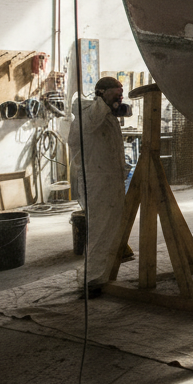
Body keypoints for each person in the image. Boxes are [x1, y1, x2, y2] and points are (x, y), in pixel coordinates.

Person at [68, 76, 129, 296]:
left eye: (121, 93)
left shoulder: (106, 114)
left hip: (111, 178)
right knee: (99, 230)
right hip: (97, 180)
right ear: (101, 93)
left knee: (111, 229)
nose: (119, 98)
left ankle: (100, 276)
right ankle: (90, 280)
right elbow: (92, 123)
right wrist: (107, 104)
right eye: (115, 93)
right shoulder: (88, 113)